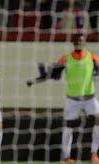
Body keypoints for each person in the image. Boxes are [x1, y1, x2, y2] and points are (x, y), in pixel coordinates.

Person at [27, 34, 99, 164]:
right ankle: (67, 157)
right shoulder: (65, 59)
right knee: (68, 126)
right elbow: (51, 74)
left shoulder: (93, 58)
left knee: (98, 119)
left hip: (90, 98)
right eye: (76, 40)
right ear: (73, 42)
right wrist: (34, 81)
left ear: (84, 43)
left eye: (81, 40)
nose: (79, 42)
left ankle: (94, 154)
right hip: (72, 100)